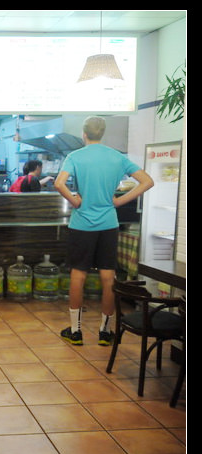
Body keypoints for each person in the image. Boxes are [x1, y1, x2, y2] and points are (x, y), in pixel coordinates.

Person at [54, 116, 154, 346]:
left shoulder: (75, 157)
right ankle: (104, 332)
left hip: (81, 225)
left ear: (84, 134)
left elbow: (59, 183)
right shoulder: (117, 157)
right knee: (108, 276)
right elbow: (147, 181)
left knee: (78, 275)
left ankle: (76, 331)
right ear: (103, 133)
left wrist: (75, 201)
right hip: (108, 224)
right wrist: (119, 201)